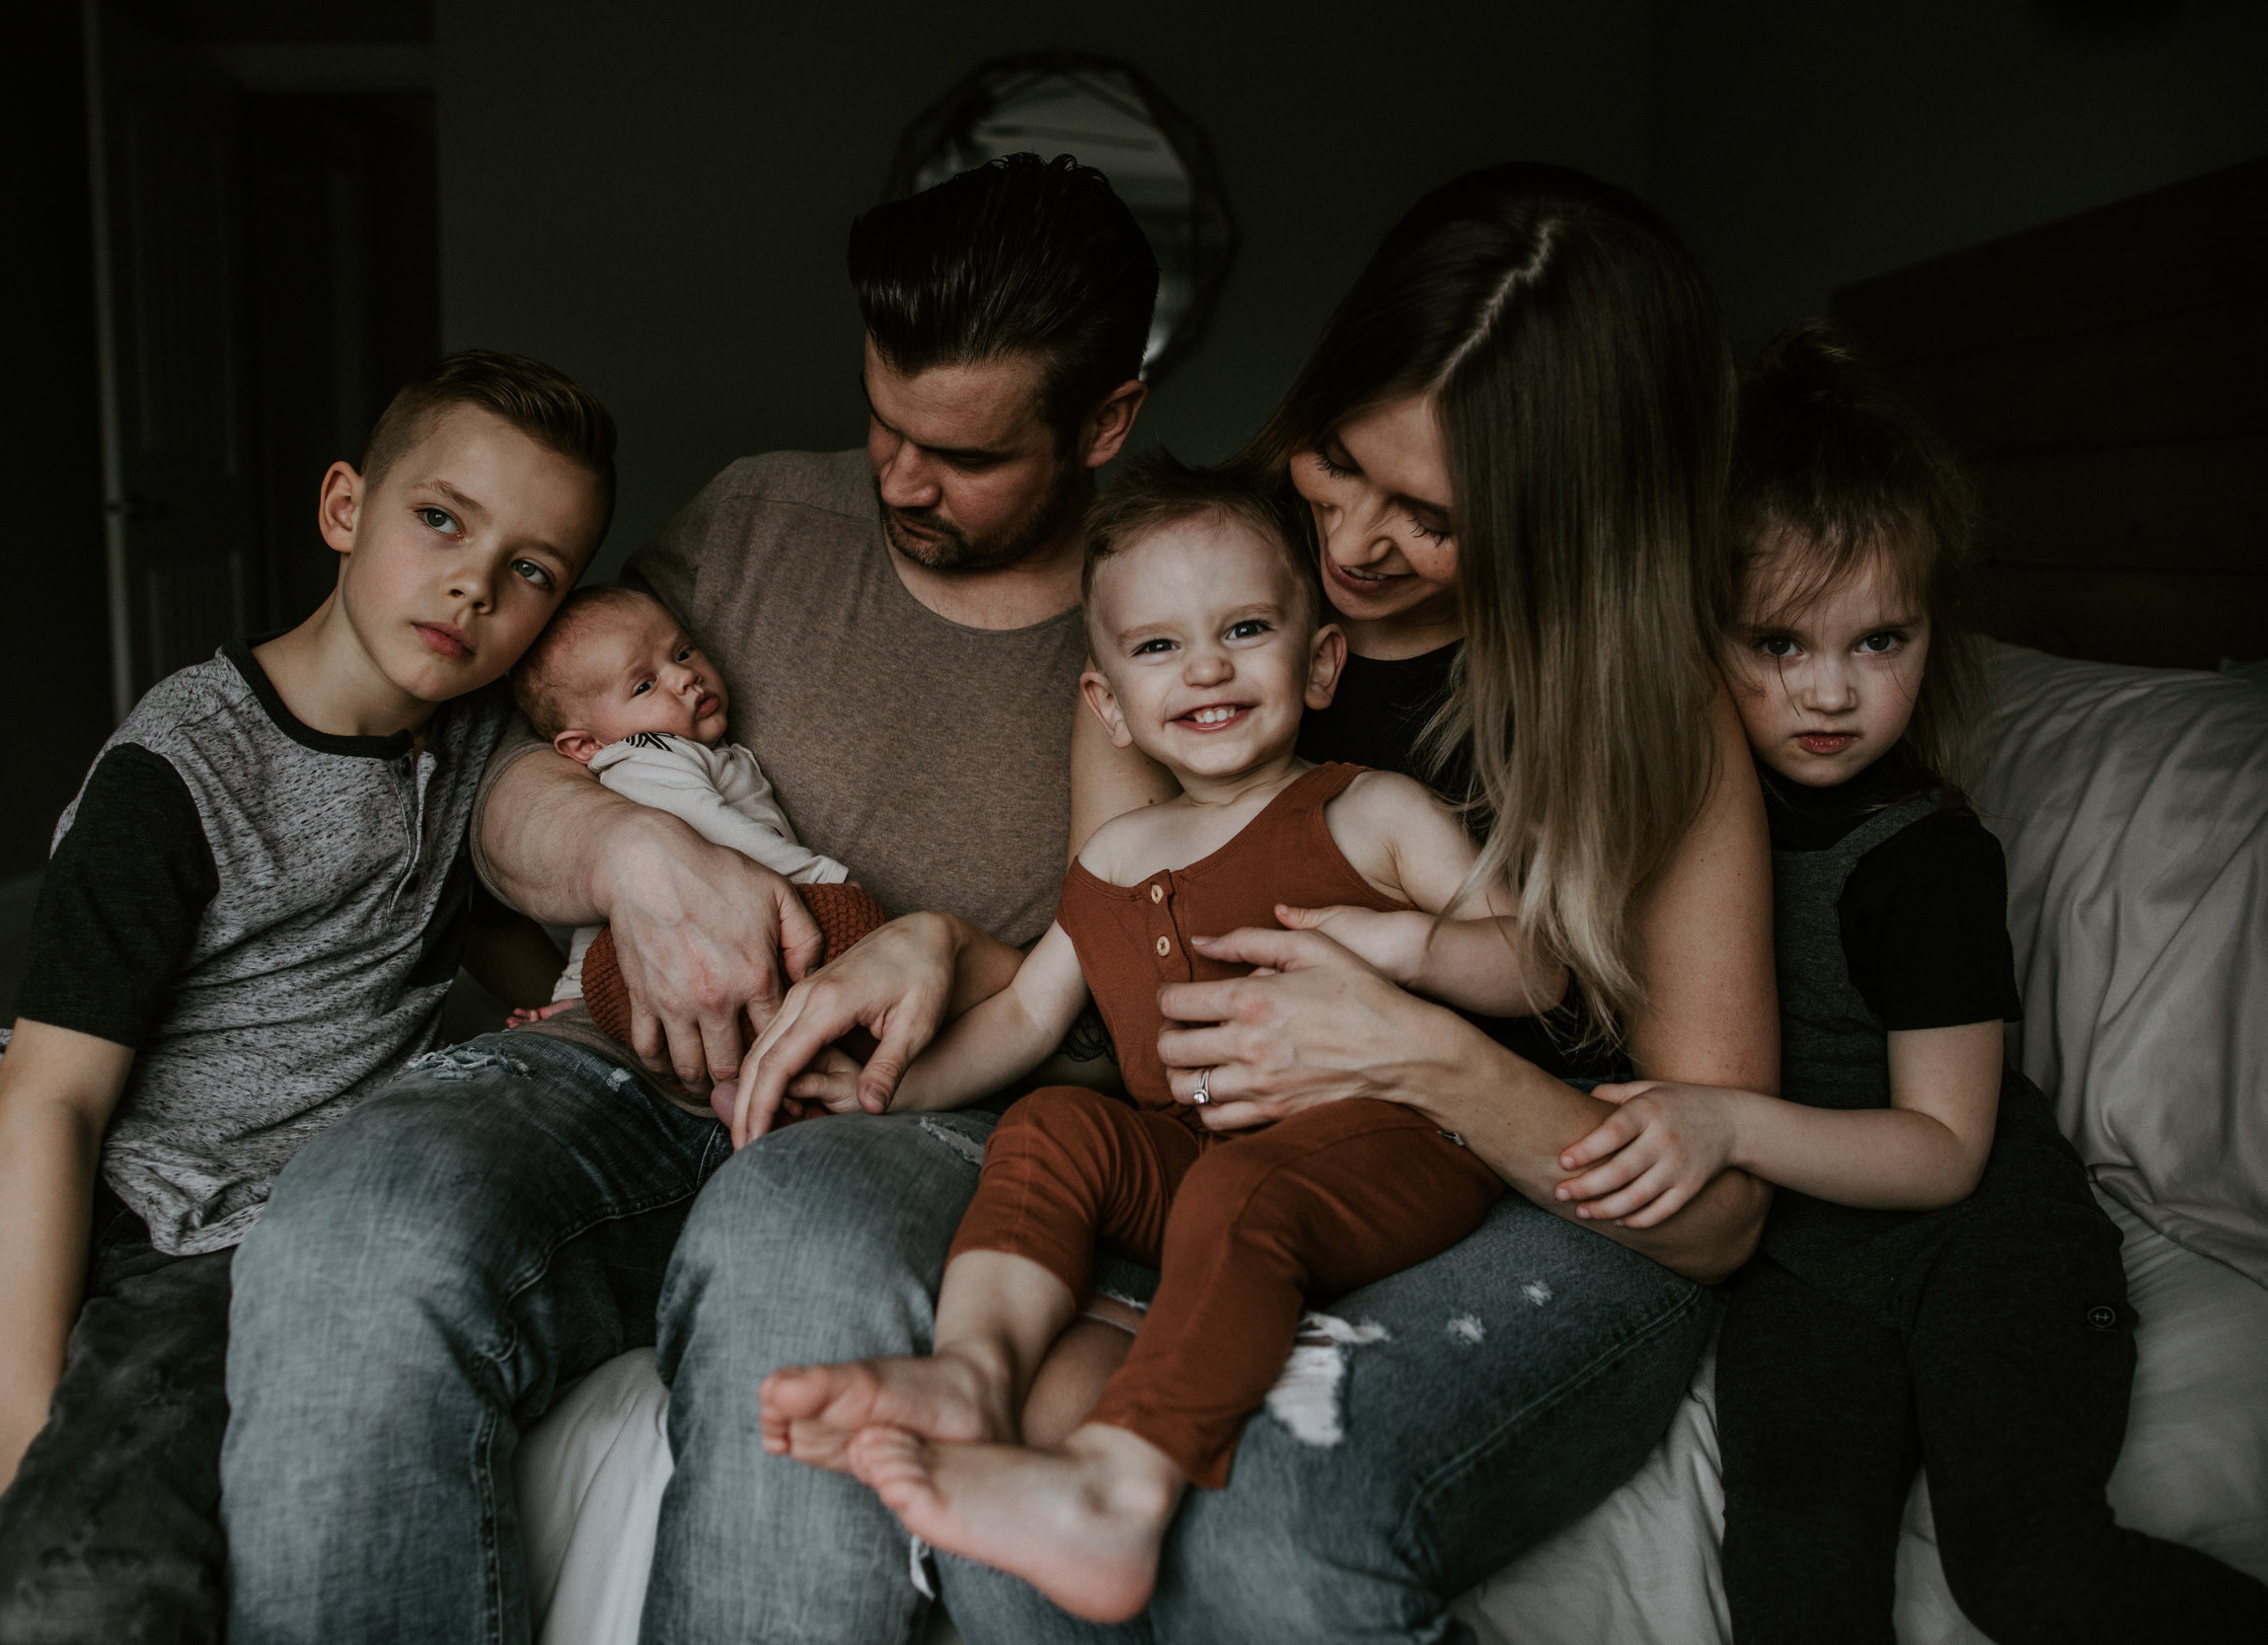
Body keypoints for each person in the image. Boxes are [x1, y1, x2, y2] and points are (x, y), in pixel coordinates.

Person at [673, 162, 1775, 1644]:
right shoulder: (1177, 590)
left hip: (1528, 1185)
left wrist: (1409, 1044)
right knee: (1022, 1467)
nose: (1356, 541)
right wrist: (942, 946)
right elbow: (1127, 966)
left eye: (1434, 516)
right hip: (1221, 1155)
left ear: (1572, 513)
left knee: (1281, 1520)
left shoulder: (1648, 708)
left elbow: (1714, 1217)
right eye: (1339, 456)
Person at [216, 151, 1155, 1645]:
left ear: (1106, 421)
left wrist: (962, 950)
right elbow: (501, 764)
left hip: (919, 1113)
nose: (900, 479)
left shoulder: (1177, 602)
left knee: (791, 1253)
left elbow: (1175, 982)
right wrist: (628, 857)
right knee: (356, 1217)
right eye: (884, 422)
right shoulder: (766, 516)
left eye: (963, 455)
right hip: (615, 1072)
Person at [0, 350, 609, 1643]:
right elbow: (51, 1105)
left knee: (87, 1580)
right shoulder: (181, 767)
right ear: (345, 508)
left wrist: (597, 1008)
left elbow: (515, 946)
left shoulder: (472, 760)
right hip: (40, 1144)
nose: (474, 581)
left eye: (532, 570)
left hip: (240, 1226)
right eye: (442, 518)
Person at [1552, 324, 2268, 1643]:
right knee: (1794, 1581)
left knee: (2029, 1566)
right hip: (1808, 1259)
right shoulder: (1681, 811)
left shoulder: (1929, 860)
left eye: (1880, 640)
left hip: (1988, 1235)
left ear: (1936, 632)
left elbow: (1943, 1149)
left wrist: (1721, 1121)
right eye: (1776, 640)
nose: (1830, 691)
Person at [764, 457, 1564, 1621]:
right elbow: (1027, 1018)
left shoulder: (1365, 808)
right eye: (1157, 647)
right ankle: (966, 1374)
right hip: (1198, 1155)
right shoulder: (1113, 857)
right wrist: (882, 1086)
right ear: (1105, 701)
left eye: (1244, 628)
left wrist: (1413, 950)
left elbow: (1540, 956)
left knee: (1240, 1193)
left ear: (1321, 659)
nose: (1204, 667)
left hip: (1398, 1141)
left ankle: (1118, 1487)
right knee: (1050, 1123)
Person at [502, 584, 871, 1057]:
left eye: (682, 651)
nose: (683, 677)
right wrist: (823, 876)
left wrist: (571, 993)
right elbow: (716, 828)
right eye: (643, 685)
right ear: (585, 745)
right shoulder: (644, 757)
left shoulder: (684, 751)